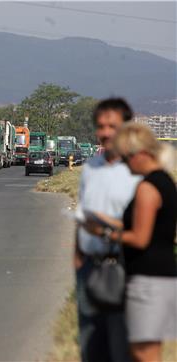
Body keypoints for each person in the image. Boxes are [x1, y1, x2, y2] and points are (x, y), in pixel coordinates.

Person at [83, 123, 177, 362]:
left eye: (126, 158)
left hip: (147, 278)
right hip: (161, 275)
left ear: (141, 154)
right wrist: (109, 221)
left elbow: (140, 237)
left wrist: (103, 232)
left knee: (142, 352)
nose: (125, 165)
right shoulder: (165, 182)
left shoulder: (148, 188)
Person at [74, 98, 140, 362]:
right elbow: (81, 215)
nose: (105, 132)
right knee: (92, 346)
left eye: (112, 126)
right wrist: (78, 261)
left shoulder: (138, 172)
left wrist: (104, 230)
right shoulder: (91, 167)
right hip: (89, 268)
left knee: (121, 347)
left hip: (125, 267)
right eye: (100, 126)